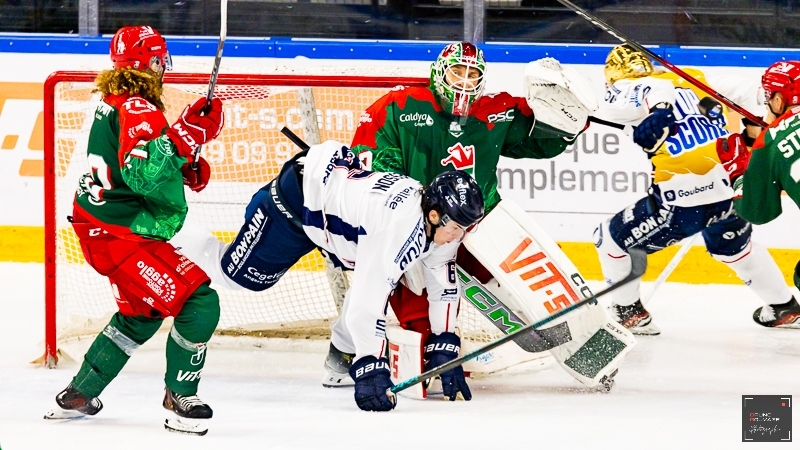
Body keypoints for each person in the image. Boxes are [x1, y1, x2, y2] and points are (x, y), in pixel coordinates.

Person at [334, 42, 598, 383]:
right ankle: (344, 351)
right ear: (439, 73)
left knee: (538, 272)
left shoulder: (496, 111)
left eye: (472, 74)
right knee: (401, 300)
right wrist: (412, 212)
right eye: (457, 71)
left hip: (479, 223)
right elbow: (376, 169)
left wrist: (569, 118)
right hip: (420, 226)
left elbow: (541, 141)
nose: (464, 81)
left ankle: (580, 336)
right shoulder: (400, 106)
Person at [171, 140, 485, 410]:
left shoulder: (436, 219)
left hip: (329, 203)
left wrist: (445, 340)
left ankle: (341, 356)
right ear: (434, 214)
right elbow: (367, 305)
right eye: (457, 227)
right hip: (295, 204)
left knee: (378, 278)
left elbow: (442, 281)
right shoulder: (399, 229)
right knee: (236, 275)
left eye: (464, 228)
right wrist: (371, 365)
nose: (459, 236)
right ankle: (170, 233)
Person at [43, 26, 225, 436]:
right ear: (153, 63)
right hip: (120, 236)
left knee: (140, 314)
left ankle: (80, 393)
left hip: (101, 229)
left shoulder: (115, 100)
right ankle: (180, 398)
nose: (164, 67)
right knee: (199, 302)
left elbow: (130, 165)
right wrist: (183, 136)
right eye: (161, 60)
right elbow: (140, 173)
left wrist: (181, 166)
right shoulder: (139, 108)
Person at [592, 44, 793, 335]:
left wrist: (660, 109)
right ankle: (784, 306)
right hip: (733, 187)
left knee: (609, 239)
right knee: (735, 249)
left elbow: (650, 90)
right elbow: (751, 92)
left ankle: (628, 314)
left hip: (683, 199)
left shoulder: (625, 87)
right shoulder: (693, 77)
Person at [716, 60, 800, 327]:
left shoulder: (771, 142)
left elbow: (757, 212)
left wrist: (738, 171)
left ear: (779, 100)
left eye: (767, 98)